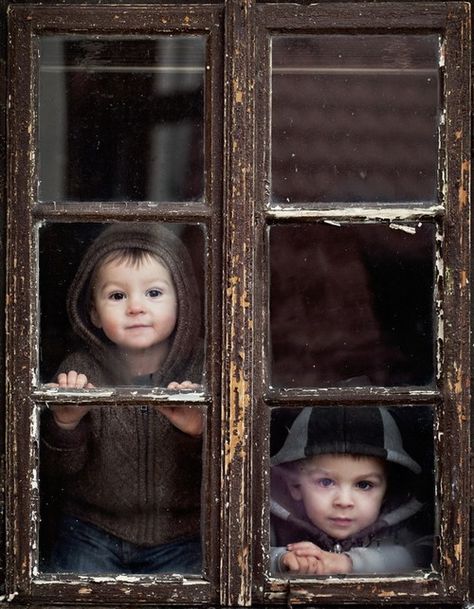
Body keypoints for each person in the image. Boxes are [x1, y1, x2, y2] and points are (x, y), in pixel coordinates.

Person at [40, 222, 204, 575]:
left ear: (183, 301)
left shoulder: (202, 370)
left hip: (184, 535)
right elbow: (55, 473)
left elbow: (230, 468)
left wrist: (196, 430)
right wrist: (66, 422)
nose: (136, 308)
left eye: (154, 293)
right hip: (91, 529)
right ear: (94, 314)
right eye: (117, 296)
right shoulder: (80, 372)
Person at [270, 406, 432, 575]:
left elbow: (431, 556)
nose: (344, 502)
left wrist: (350, 563)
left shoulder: (402, 533)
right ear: (295, 486)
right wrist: (282, 560)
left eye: (364, 485)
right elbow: (245, 557)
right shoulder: (275, 529)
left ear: (387, 490)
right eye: (326, 482)